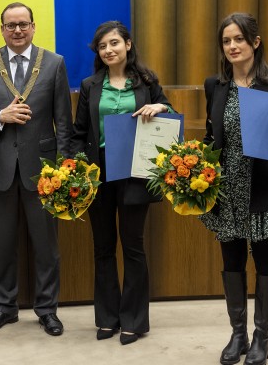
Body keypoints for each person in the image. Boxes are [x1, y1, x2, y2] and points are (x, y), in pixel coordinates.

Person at [0, 2, 73, 336]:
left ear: (33, 26)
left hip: (42, 170)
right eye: (11, 25)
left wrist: (65, 169)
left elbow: (63, 122)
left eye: (23, 24)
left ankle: (47, 310)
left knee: (46, 245)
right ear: (1, 29)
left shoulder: (54, 63)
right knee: (4, 243)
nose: (17, 30)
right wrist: (0, 116)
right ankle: (5, 308)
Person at [200, 12, 268, 365]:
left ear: (255, 42)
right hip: (227, 192)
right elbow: (211, 138)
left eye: (238, 39)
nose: (232, 46)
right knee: (232, 263)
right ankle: (238, 334)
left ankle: (262, 337)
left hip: (266, 189)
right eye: (226, 41)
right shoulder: (215, 85)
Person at [70, 21, 173, 345]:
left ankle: (134, 320)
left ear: (128, 44)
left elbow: (171, 115)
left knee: (133, 247)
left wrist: (161, 106)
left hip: (135, 174)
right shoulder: (90, 85)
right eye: (102, 46)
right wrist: (78, 169)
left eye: (114, 43)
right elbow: (77, 133)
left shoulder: (147, 81)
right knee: (102, 249)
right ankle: (107, 318)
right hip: (98, 176)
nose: (109, 49)